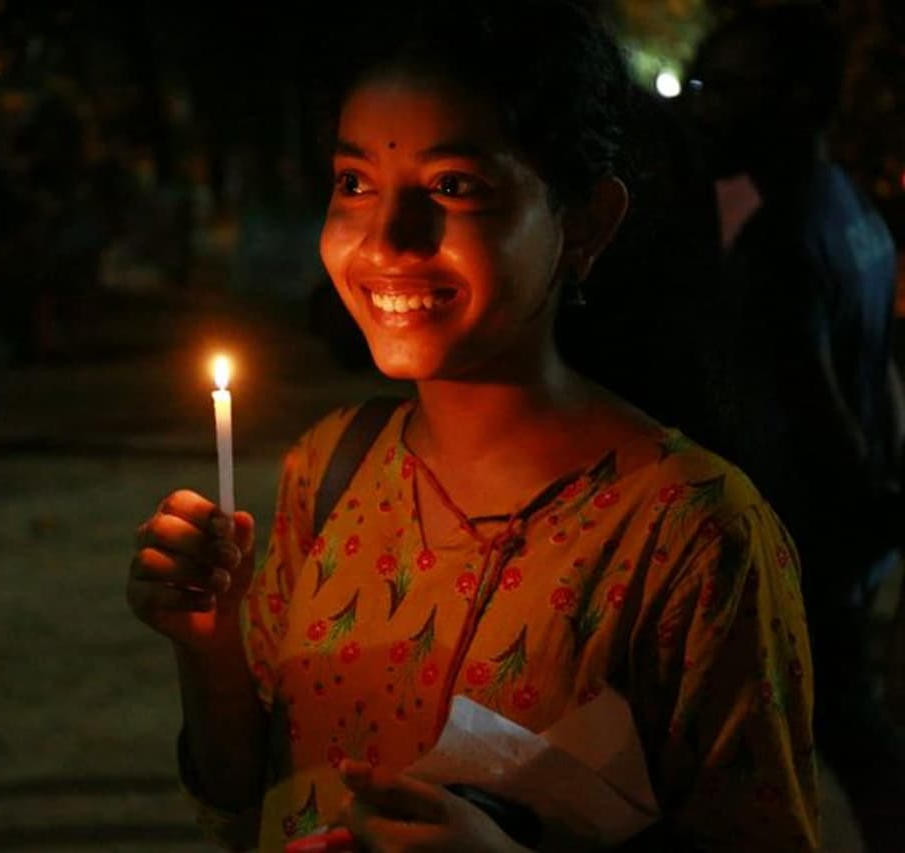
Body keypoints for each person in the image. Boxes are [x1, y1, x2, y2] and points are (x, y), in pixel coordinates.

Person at [126, 2, 818, 850]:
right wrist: (207, 645)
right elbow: (245, 794)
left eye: (454, 186)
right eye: (354, 183)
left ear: (587, 221)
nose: (388, 238)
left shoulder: (689, 537)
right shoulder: (334, 467)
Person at [682, 6, 903, 848]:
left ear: (800, 99)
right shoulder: (846, 204)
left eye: (728, 90)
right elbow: (874, 371)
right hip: (843, 537)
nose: (708, 111)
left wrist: (866, 507)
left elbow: (820, 410)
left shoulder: (781, 241)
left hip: (809, 542)